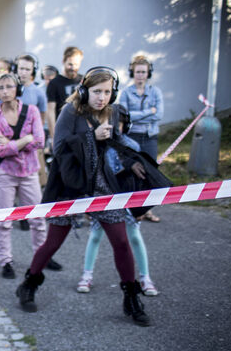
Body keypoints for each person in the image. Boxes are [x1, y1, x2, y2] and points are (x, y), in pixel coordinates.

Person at [16, 66, 152, 327]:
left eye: (107, 92)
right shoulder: (70, 111)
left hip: (102, 187)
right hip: (71, 186)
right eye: (96, 91)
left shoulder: (111, 112)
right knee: (54, 242)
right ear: (84, 90)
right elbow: (58, 148)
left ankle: (132, 298)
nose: (102, 97)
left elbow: (118, 142)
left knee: (122, 242)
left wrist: (132, 161)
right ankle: (29, 284)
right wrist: (91, 137)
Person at [77, 104, 158, 296]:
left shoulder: (132, 146)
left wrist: (142, 208)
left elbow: (141, 181)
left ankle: (145, 278)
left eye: (118, 124)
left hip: (128, 202)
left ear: (126, 125)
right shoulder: (97, 146)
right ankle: (87, 275)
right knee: (95, 236)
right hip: (104, 201)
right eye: (109, 124)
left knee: (134, 238)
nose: (113, 128)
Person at [0, 73, 47, 279]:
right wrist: (25, 140)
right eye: (0, 88)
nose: (4, 91)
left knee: (37, 219)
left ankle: (41, 257)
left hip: (29, 172)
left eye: (8, 86)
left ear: (17, 89)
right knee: (3, 220)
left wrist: (13, 144)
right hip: (5, 173)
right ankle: (6, 261)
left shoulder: (31, 111)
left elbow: (40, 140)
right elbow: (1, 151)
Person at [119, 55, 163, 222]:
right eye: (137, 72)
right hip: (132, 136)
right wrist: (148, 112)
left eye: (143, 72)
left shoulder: (155, 92)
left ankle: (148, 210)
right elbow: (125, 115)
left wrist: (138, 116)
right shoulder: (126, 93)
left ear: (148, 73)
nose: (140, 75)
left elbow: (159, 114)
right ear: (132, 73)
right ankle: (133, 209)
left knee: (150, 172)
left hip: (150, 136)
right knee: (134, 171)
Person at [46, 47, 83, 153]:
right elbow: (50, 112)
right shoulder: (54, 83)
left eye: (76, 64)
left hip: (80, 130)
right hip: (63, 131)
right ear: (63, 61)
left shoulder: (83, 80)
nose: (73, 68)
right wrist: (54, 137)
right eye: (70, 64)